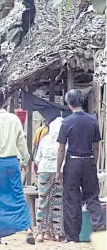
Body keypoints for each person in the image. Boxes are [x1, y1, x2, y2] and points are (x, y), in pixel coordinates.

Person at [0, 88, 34, 245]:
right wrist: (25, 160)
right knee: (17, 195)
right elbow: (21, 141)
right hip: (13, 162)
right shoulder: (14, 119)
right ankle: (28, 228)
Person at [56, 89, 106, 243]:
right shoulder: (93, 120)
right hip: (88, 160)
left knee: (71, 199)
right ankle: (101, 228)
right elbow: (96, 146)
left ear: (69, 104)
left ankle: (73, 237)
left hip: (72, 162)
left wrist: (58, 170)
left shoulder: (66, 122)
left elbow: (61, 148)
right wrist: (93, 162)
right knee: (92, 197)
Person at [34, 117, 65, 243]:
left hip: (44, 171)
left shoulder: (44, 140)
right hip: (59, 171)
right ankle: (57, 233)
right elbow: (65, 156)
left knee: (43, 201)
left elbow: (37, 158)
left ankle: (42, 233)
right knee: (57, 202)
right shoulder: (63, 141)